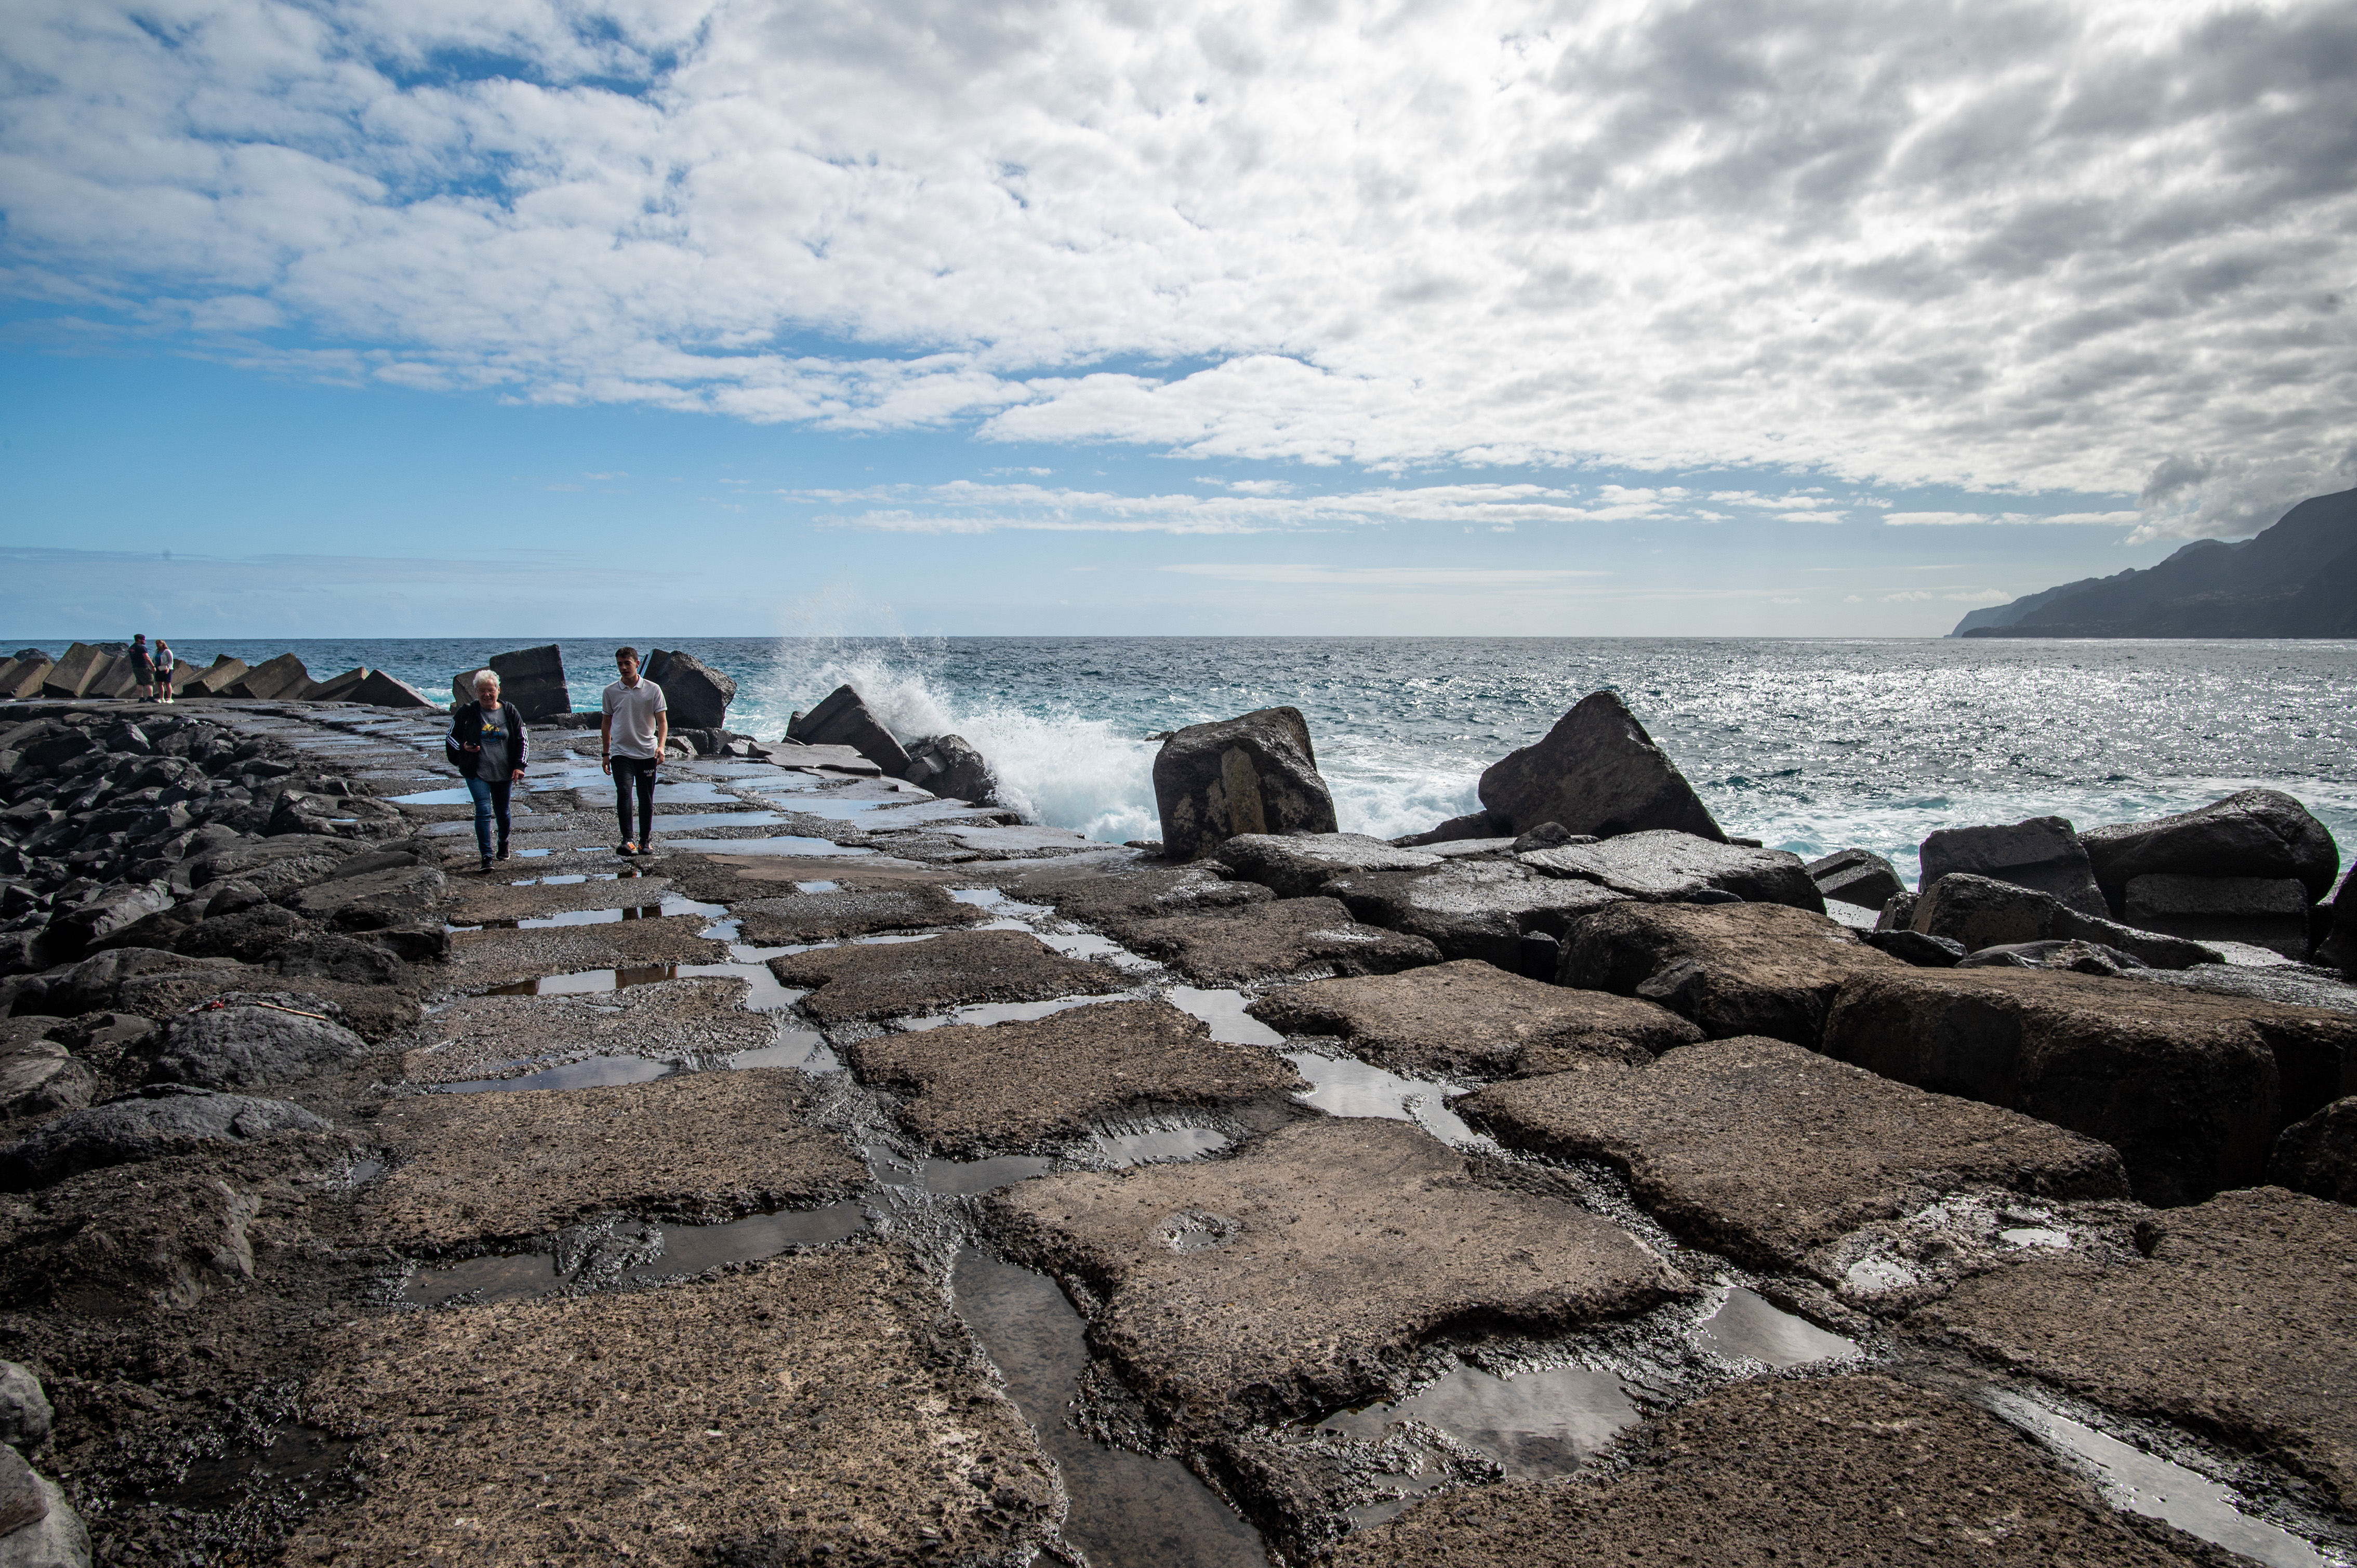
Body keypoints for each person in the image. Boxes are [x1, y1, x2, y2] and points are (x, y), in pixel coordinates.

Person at [445, 669, 528, 871]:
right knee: (483, 811)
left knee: (503, 812)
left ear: (498, 690)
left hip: (503, 772)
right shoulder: (467, 712)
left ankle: (503, 842)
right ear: (476, 692)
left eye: (491, 690)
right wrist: (463, 747)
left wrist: (520, 766)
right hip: (477, 772)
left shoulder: (510, 711)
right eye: (482, 691)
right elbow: (451, 738)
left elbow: (522, 739)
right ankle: (486, 856)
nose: (487, 695)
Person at [601, 646, 667, 857]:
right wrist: (605, 754)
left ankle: (645, 842)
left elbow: (662, 722)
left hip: (647, 753)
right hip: (621, 753)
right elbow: (606, 725)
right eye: (620, 664)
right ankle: (628, 840)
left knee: (646, 797)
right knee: (624, 792)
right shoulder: (610, 692)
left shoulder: (653, 689)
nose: (623, 668)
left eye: (627, 663)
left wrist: (661, 746)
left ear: (637, 664)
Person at [129, 634, 155, 701]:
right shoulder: (142, 648)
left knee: (139, 683)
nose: (145, 641)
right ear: (139, 640)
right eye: (144, 639)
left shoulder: (131, 648)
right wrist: (153, 666)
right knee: (149, 682)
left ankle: (141, 698)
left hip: (135, 667)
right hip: (143, 666)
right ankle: (150, 697)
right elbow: (147, 658)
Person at [153, 639, 176, 703]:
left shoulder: (167, 651)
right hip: (159, 669)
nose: (157, 645)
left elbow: (171, 661)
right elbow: (154, 659)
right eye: (157, 644)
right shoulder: (157, 652)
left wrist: (168, 668)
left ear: (162, 644)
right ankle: (161, 698)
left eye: (158, 644)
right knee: (160, 683)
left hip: (166, 668)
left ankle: (169, 698)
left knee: (167, 683)